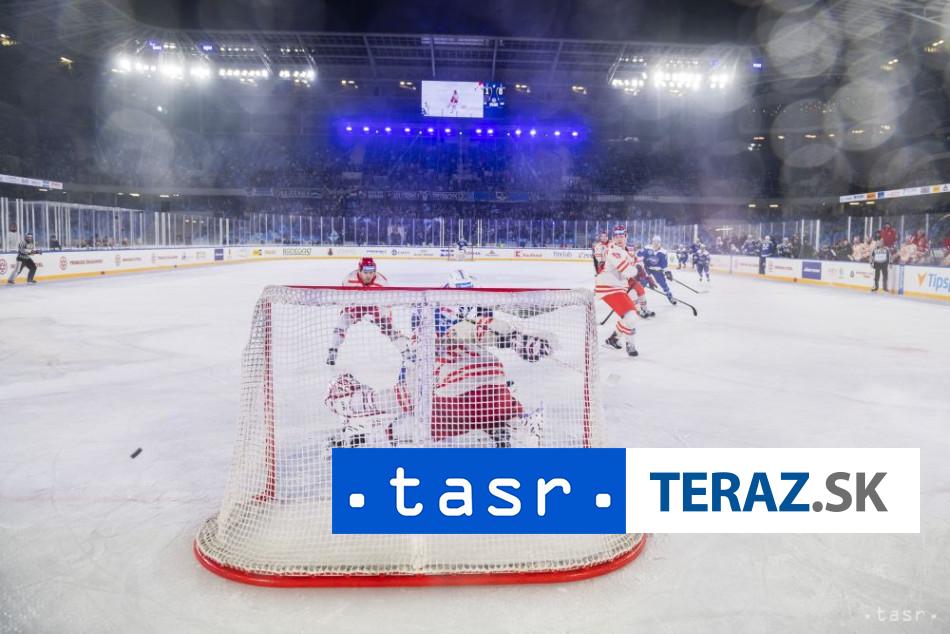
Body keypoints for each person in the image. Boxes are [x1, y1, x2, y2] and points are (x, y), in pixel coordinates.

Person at [323, 270, 551, 449]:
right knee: (413, 411)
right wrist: (513, 338)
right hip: (451, 379)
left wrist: (514, 338)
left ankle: (511, 427)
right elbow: (466, 332)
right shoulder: (433, 312)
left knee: (407, 418)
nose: (465, 298)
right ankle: (513, 426)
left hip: (454, 382)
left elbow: (479, 328)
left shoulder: (464, 310)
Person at [326, 257, 405, 365]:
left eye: (372, 272)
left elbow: (386, 304)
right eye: (366, 272)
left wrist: (386, 319)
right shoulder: (349, 280)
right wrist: (346, 310)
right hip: (356, 305)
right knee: (343, 321)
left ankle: (405, 352)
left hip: (374, 306)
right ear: (359, 271)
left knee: (389, 328)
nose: (369, 275)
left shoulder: (382, 282)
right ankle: (333, 351)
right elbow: (345, 299)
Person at [595, 225, 642, 357]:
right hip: (609, 288)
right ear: (613, 238)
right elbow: (627, 271)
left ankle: (614, 339)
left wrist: (639, 269)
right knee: (631, 316)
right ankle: (630, 344)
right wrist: (638, 270)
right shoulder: (613, 251)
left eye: (622, 235)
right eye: (616, 236)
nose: (619, 238)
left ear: (626, 237)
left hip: (619, 288)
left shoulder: (624, 252)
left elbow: (633, 266)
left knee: (632, 315)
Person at [637, 235, 676, 304]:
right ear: (652, 242)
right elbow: (638, 255)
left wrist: (668, 272)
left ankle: (670, 296)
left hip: (657, 270)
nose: (655, 243)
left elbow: (664, 264)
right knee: (643, 282)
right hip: (647, 268)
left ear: (660, 243)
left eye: (657, 242)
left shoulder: (663, 252)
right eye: (654, 242)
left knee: (663, 283)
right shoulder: (647, 248)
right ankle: (637, 297)